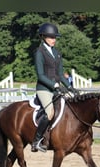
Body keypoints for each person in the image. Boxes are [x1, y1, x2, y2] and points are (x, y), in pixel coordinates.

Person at [31, 22, 79, 153]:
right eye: (51, 37)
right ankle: (36, 141)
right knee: (50, 113)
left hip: (56, 88)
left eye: (55, 37)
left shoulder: (57, 53)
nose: (54, 40)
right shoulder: (39, 52)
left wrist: (70, 87)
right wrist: (55, 85)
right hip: (44, 89)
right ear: (44, 37)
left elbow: (60, 74)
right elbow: (40, 75)